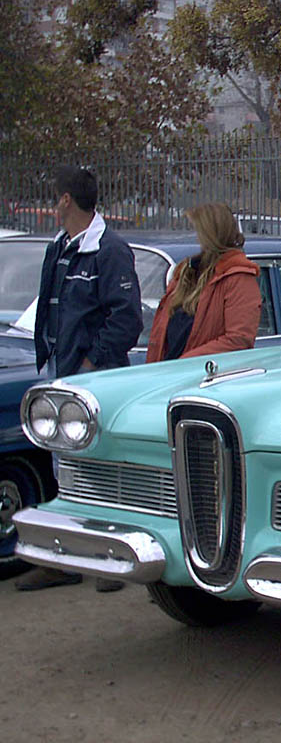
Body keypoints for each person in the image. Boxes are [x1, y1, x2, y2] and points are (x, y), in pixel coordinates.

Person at [17, 166, 143, 592]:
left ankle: (112, 557)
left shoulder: (109, 250)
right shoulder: (60, 246)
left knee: (100, 465)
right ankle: (63, 558)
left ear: (67, 200)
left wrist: (90, 366)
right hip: (59, 370)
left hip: (92, 378)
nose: (53, 206)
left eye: (56, 199)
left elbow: (126, 320)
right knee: (62, 464)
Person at [145, 203, 261, 363]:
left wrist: (185, 362)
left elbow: (238, 340)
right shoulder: (188, 270)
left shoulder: (238, 278)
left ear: (210, 235)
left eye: (198, 232)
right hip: (168, 372)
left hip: (205, 376)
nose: (196, 238)